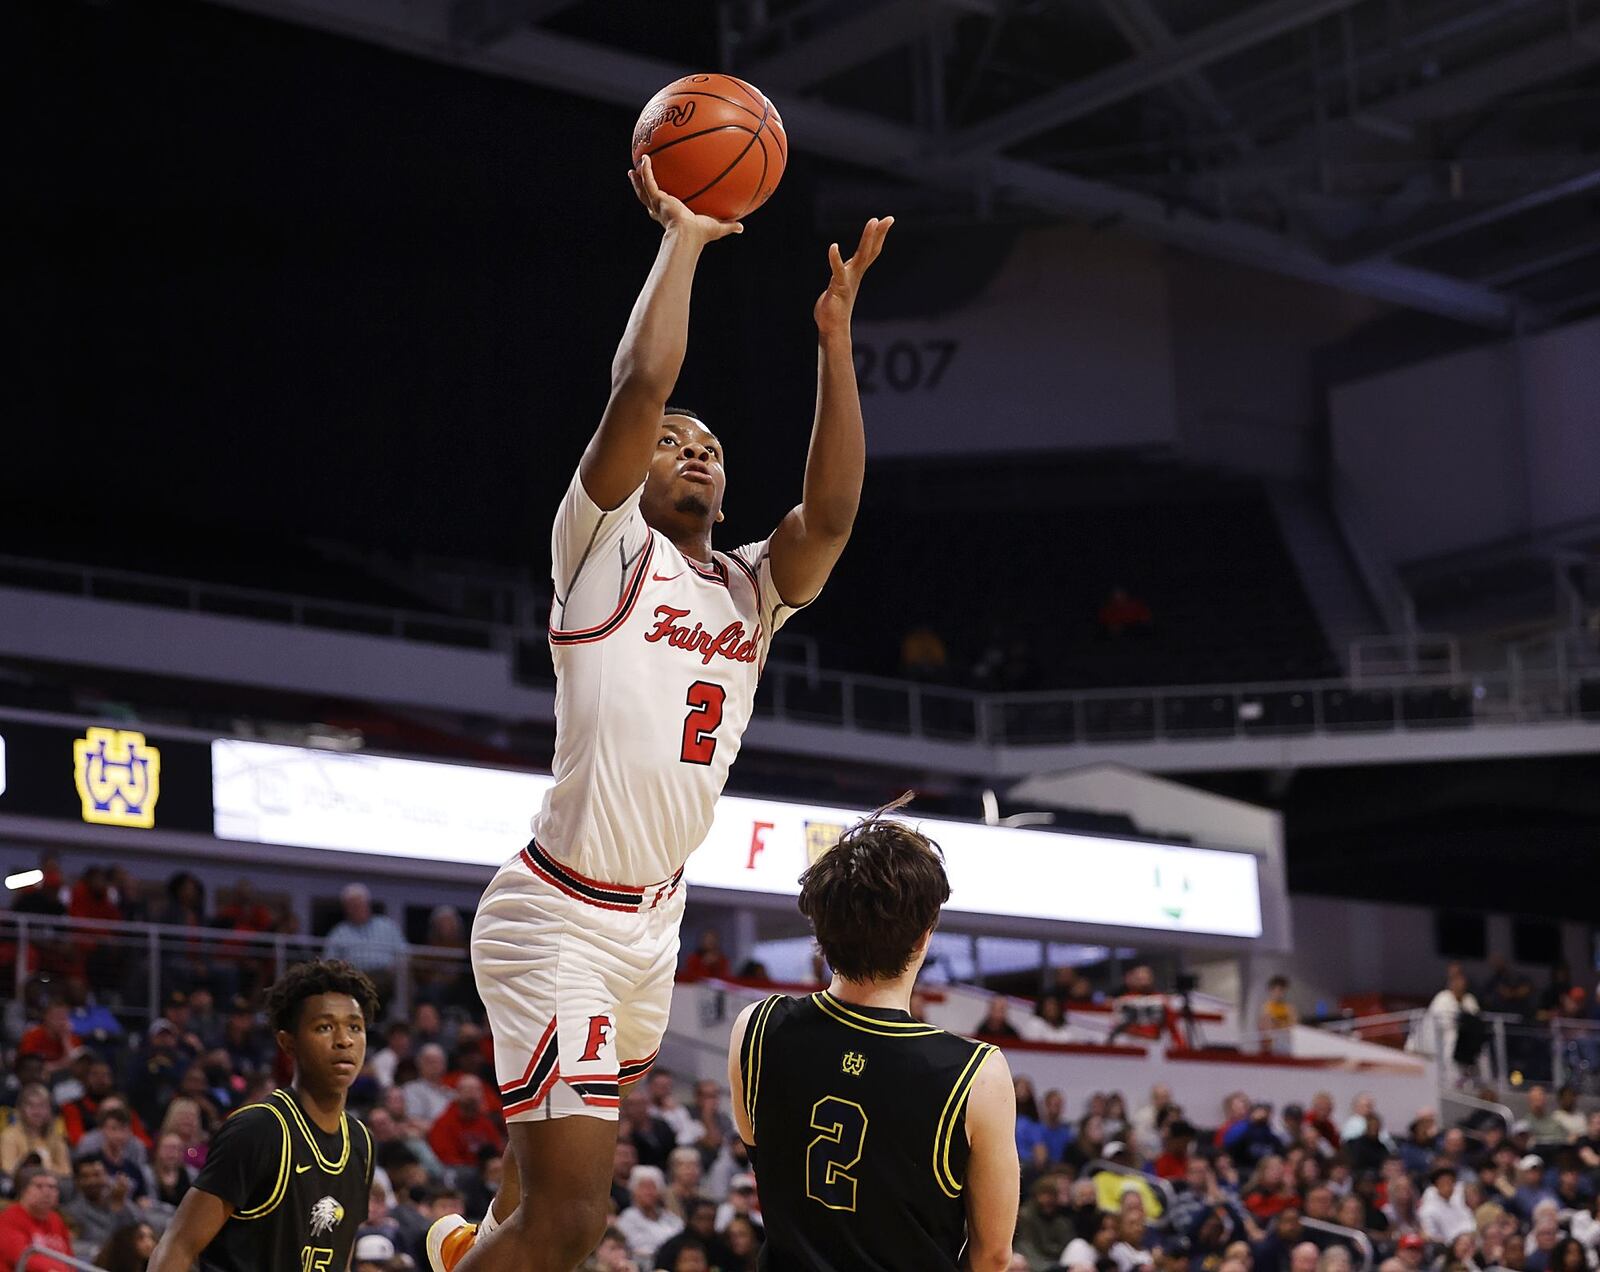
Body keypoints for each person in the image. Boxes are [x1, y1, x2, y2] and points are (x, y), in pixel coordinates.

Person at [427, 153, 892, 1272]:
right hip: (558, 918)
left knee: (539, 1184)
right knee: (576, 1222)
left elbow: (829, 515)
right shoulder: (600, 549)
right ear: (639, 474)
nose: (694, 451)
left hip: (651, 929)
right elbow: (637, 390)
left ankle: (459, 1251)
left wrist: (834, 339)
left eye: (713, 449)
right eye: (677, 443)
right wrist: (683, 239)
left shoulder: (747, 587)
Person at [726, 801, 1019, 1271]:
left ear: (819, 929)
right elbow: (993, 1254)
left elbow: (764, 1156)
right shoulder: (976, 1073)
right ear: (924, 936)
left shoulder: (756, 1028)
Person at [147, 959, 378, 1272]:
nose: (344, 1040)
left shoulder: (361, 1142)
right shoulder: (259, 1129)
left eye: (355, 1027)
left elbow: (340, 1259)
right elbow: (175, 1249)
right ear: (288, 1042)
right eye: (324, 1027)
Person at [324, 884, 408, 1000]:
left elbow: (403, 952)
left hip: (386, 976)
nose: (357, 909)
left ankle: (401, 1016)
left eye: (360, 904)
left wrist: (395, 966)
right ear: (346, 909)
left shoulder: (387, 925)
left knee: (402, 976)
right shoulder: (338, 932)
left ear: (367, 904)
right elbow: (329, 962)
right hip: (353, 977)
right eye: (352, 906)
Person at [0, 1165, 76, 1271]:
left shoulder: (56, 1220)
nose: (47, 1193)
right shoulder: (9, 1218)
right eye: (39, 1186)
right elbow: (22, 1258)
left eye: (52, 1187)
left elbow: (70, 1260)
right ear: (24, 1191)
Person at [0, 1081, 72, 1175]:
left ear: (50, 1110)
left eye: (42, 1106)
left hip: (53, 1186)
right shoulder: (9, 1136)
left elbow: (67, 1173)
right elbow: (8, 1171)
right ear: (20, 1109)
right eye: (31, 1106)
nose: (37, 1112)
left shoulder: (56, 1138)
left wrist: (44, 1167)